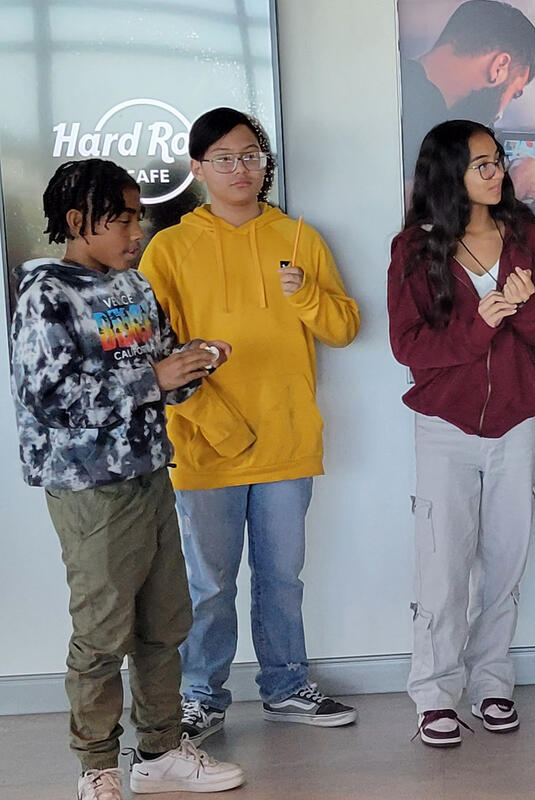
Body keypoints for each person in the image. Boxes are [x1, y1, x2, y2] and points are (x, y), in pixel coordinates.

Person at [11, 159, 244, 799]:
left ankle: (162, 749)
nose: (136, 231)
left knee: (165, 621)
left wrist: (194, 363)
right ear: (78, 222)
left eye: (139, 216)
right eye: (121, 219)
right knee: (103, 633)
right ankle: (96, 767)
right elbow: (48, 398)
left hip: (148, 471)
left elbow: (159, 369)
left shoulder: (133, 288)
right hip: (89, 488)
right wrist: (155, 379)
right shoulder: (45, 295)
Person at [139, 107, 361, 742]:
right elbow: (155, 354)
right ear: (198, 168)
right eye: (226, 159)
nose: (242, 170)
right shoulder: (171, 247)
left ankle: (287, 685)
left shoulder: (299, 238)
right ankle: (200, 696)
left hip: (287, 439)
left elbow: (344, 328)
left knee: (281, 577)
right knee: (207, 584)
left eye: (252, 157)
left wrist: (305, 296)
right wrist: (215, 421)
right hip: (205, 442)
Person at [387, 119, 535, 747]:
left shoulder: (527, 234)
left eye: (497, 163)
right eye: (482, 165)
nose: (497, 174)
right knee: (442, 564)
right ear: (449, 174)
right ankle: (435, 693)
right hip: (444, 424)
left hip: (518, 421)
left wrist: (524, 307)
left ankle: (493, 684)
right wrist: (483, 323)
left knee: (506, 560)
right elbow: (408, 346)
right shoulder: (414, 247)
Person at [400, 0, 535, 200]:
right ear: (499, 66)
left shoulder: (399, 84)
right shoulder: (419, 113)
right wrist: (511, 190)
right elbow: (411, 208)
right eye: (515, 93)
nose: (500, 113)